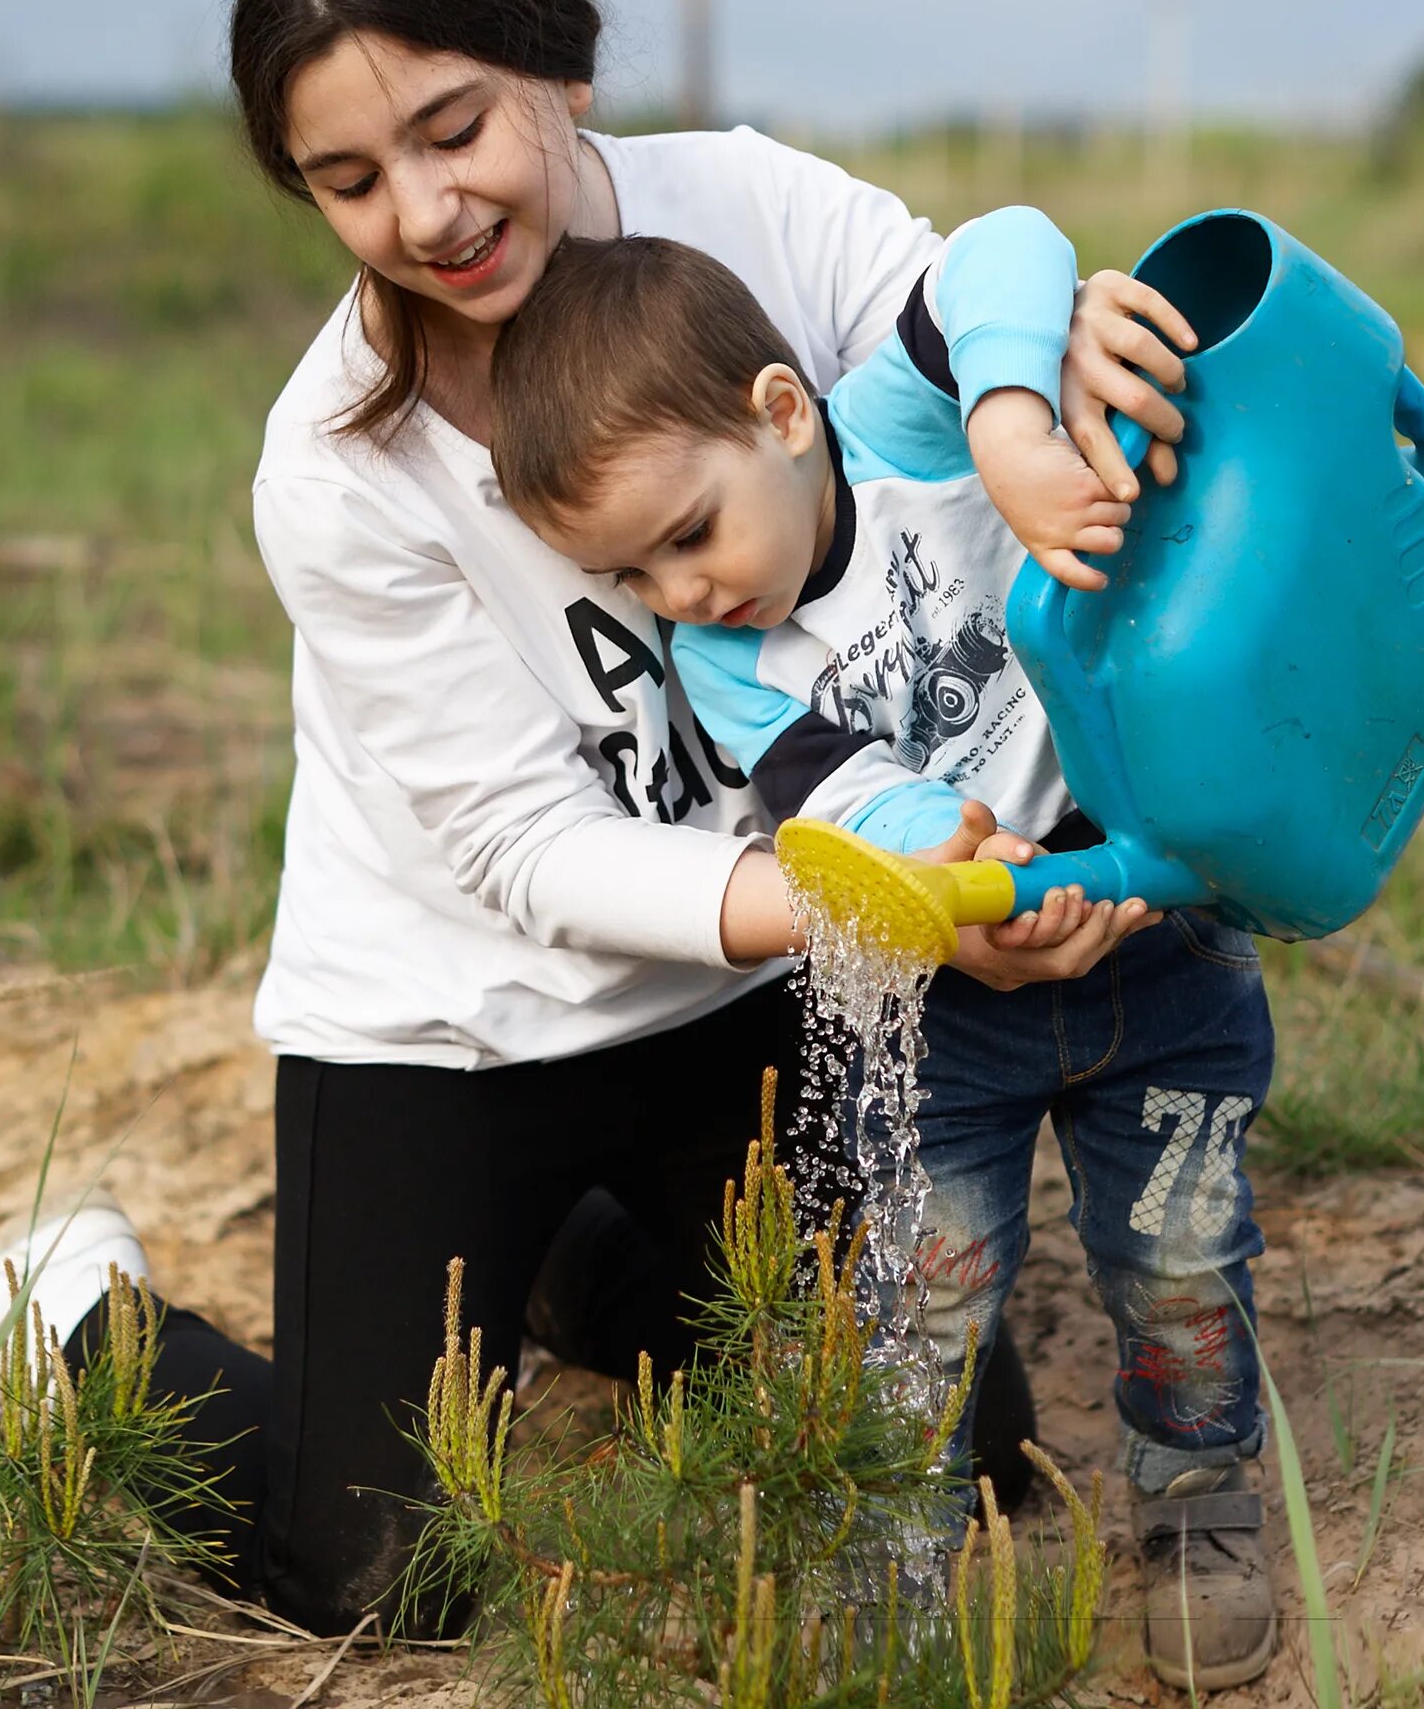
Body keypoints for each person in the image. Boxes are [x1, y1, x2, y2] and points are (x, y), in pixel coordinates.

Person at [0, 0, 1202, 1636]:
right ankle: (69, 1335)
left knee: (949, 1463)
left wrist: (1033, 379)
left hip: (752, 994)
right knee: (385, 1575)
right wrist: (865, 905)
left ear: (556, 62)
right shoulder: (336, 464)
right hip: (459, 1024)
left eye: (456, 127)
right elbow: (524, 858)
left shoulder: (751, 217)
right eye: (350, 179)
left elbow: (965, 314)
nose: (428, 210)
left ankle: (581, 1275)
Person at [487, 216, 1283, 1690]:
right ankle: (891, 1559)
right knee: (919, 1298)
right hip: (950, 1014)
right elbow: (860, 810)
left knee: (1178, 1249)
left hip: (1158, 929)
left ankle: (1195, 1495)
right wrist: (961, 870)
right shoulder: (732, 665)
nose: (681, 594)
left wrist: (1013, 422)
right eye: (635, 576)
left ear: (782, 415)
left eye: (688, 535)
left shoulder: (904, 424)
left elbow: (1005, 246)